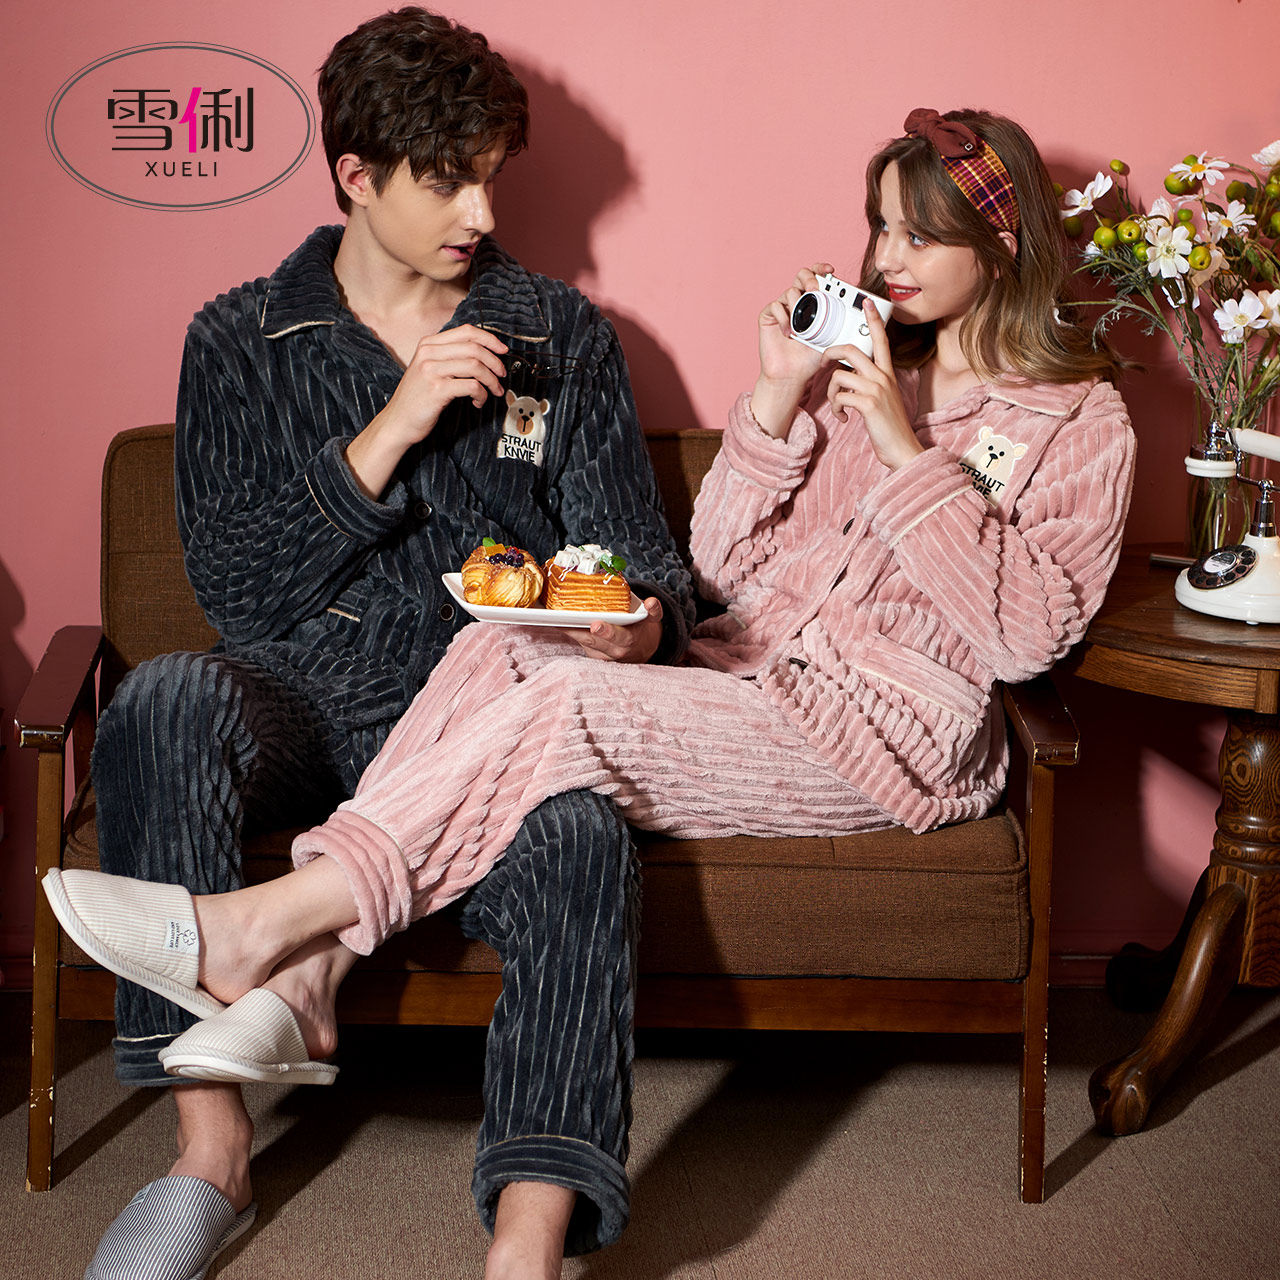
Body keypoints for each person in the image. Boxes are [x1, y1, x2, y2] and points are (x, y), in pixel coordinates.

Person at [50, 104, 1136, 1273]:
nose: (884, 260)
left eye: (918, 235)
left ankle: (269, 928)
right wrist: (777, 399)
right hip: (755, 682)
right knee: (499, 648)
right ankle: (308, 979)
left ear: (1001, 242)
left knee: (568, 705)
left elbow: (1026, 634)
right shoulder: (855, 373)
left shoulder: (1078, 420)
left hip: (890, 731)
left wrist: (903, 449)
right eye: (879, 227)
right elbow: (724, 572)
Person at [63, 8, 695, 1280]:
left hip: (485, 719)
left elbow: (647, 563)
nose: (480, 210)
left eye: (490, 177)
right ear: (354, 174)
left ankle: (528, 1237)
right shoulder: (238, 337)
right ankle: (208, 1153)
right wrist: (391, 426)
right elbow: (238, 592)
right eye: (445, 179)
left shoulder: (558, 334)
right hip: (303, 696)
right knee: (167, 697)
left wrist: (639, 624)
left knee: (580, 834)